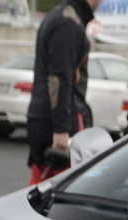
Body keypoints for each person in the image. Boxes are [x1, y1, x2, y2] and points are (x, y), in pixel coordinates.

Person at [26, 0, 103, 186]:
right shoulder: (68, 22)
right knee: (64, 190)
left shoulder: (61, 15)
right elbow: (59, 77)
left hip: (45, 115)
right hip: (58, 120)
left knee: (41, 186)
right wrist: (61, 128)